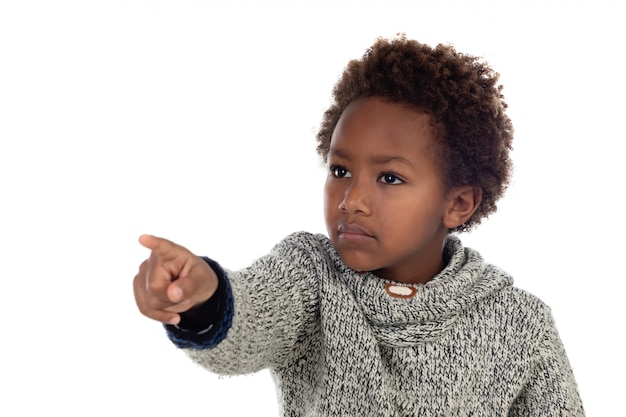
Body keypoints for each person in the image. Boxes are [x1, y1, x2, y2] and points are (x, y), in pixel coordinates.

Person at [133, 35, 585, 416]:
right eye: (340, 171)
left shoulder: (519, 323)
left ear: (459, 203)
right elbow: (253, 315)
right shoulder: (309, 275)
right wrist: (204, 298)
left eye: (389, 178)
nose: (352, 201)